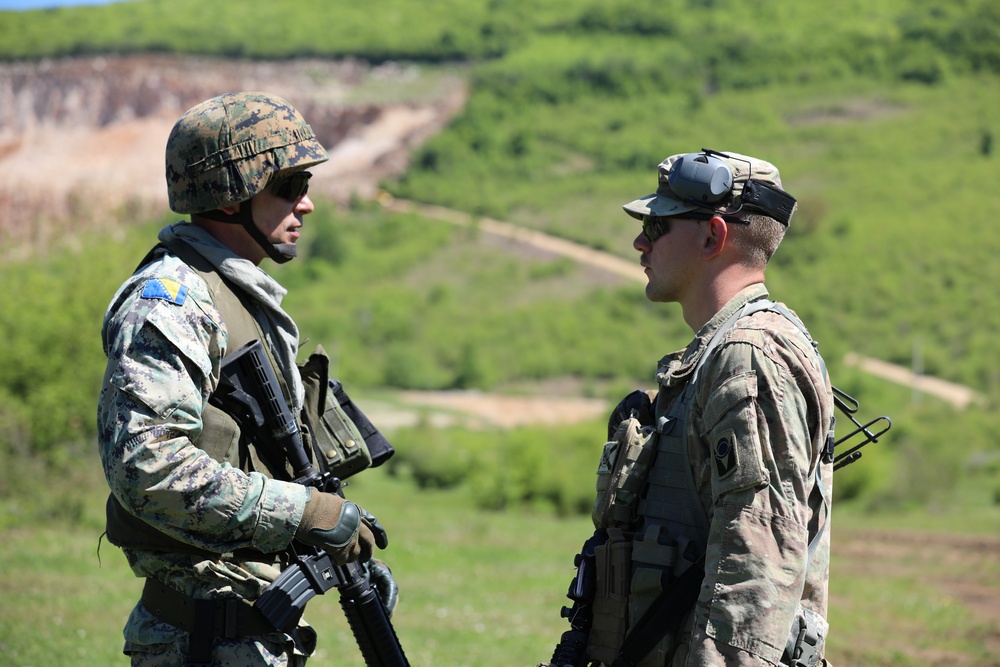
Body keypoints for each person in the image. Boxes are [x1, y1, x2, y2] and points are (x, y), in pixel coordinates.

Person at [98, 92, 393, 666]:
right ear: (232, 195)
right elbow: (145, 465)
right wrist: (303, 513)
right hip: (199, 640)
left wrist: (343, 554)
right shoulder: (174, 302)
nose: (306, 204)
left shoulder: (237, 295)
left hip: (243, 633)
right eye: (289, 186)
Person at [549, 149, 835, 667]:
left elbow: (755, 567)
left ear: (712, 237)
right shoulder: (716, 356)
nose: (640, 242)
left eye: (657, 226)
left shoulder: (749, 357)